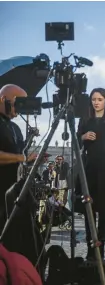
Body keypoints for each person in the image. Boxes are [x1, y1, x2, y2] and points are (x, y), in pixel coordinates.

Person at [76, 87, 105, 260]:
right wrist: (83, 136)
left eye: (100, 99)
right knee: (89, 209)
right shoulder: (85, 119)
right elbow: (75, 138)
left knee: (104, 210)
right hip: (89, 167)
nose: (96, 102)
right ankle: (90, 246)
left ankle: (100, 246)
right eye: (94, 99)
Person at [0, 85, 37, 230]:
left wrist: (30, 140)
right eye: (18, 103)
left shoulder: (15, 127)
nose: (20, 108)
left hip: (11, 194)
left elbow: (21, 152)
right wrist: (21, 158)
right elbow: (19, 156)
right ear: (4, 99)